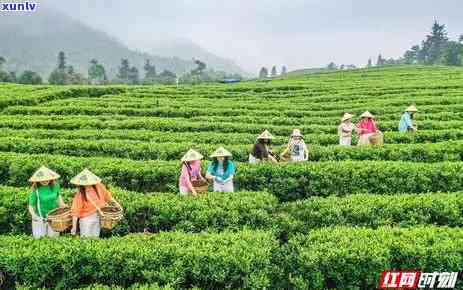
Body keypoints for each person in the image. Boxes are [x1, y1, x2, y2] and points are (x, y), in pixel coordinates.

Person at [70, 169, 120, 238]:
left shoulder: (99, 186)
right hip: (86, 219)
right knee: (85, 239)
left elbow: (108, 196)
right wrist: (74, 227)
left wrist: (117, 205)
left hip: (98, 215)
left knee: (95, 238)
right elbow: (75, 211)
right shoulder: (80, 194)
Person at [28, 166, 66, 239]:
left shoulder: (56, 186)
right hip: (40, 218)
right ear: (38, 180)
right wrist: (33, 215)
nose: (45, 180)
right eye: (42, 179)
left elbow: (58, 198)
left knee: (54, 238)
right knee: (40, 239)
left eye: (46, 179)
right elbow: (31, 205)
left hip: (54, 217)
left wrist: (63, 206)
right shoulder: (35, 190)